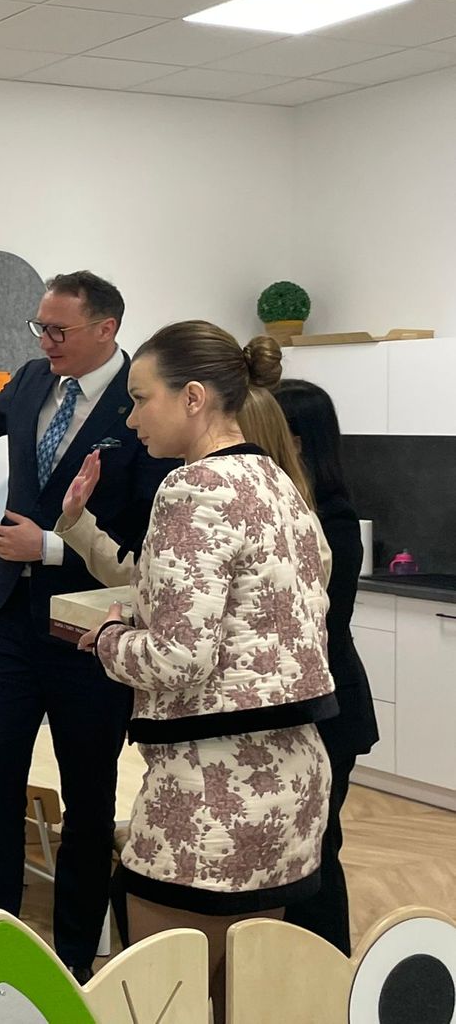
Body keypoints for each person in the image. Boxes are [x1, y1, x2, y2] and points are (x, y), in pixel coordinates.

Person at [0, 272, 173, 979]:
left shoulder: (142, 404)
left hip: (90, 631)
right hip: (5, 619)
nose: (45, 341)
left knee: (88, 798)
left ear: (106, 329)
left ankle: (75, 960)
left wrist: (53, 547)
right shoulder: (32, 380)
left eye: (59, 329)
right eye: (40, 327)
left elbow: (147, 541)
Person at [77, 324, 334, 1018]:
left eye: (140, 399)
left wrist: (108, 640)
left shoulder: (190, 488)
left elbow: (177, 658)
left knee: (163, 1001)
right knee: (242, 1000)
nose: (131, 419)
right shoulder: (281, 485)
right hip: (291, 782)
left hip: (212, 786)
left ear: (192, 398)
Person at [276, 378, 379, 955]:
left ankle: (328, 974)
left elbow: (317, 628)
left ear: (294, 440)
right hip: (312, 709)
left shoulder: (331, 519)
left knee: (316, 849)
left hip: (330, 712)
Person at [56, 385, 316, 587]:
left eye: (142, 399)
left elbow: (185, 627)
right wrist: (77, 519)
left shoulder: (196, 491)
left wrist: (113, 633)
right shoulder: (289, 503)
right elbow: (144, 576)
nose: (133, 420)